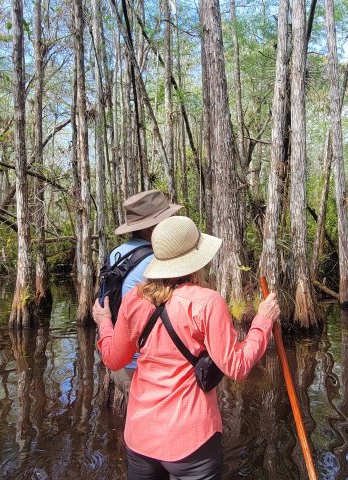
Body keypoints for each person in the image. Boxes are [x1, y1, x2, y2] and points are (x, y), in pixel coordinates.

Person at [93, 216, 280, 479]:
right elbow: (236, 367)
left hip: (140, 437)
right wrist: (263, 321)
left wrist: (104, 322)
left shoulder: (134, 298)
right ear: (195, 258)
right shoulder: (207, 302)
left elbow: (113, 359)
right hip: (192, 442)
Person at [107, 190, 183, 394]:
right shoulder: (155, 262)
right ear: (152, 227)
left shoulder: (116, 253)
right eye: (165, 220)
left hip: (121, 358)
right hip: (145, 368)